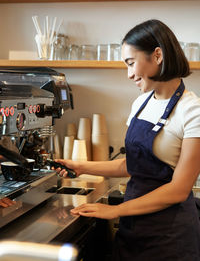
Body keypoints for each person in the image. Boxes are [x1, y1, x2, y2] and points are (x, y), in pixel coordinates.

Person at [55, 19, 200, 260]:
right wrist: (80, 167)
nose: (129, 74)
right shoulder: (141, 104)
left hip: (170, 237)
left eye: (131, 63)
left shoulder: (192, 110)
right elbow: (130, 165)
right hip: (132, 229)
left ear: (157, 55)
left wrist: (114, 210)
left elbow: (178, 189)